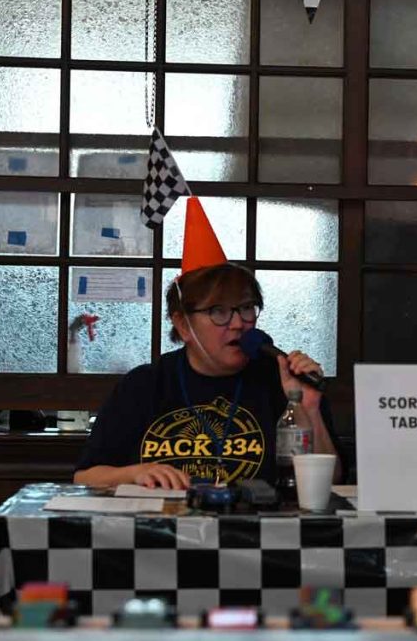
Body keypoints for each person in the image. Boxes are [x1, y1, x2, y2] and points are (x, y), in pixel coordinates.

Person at [74, 198, 340, 489]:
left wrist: (310, 408)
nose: (239, 323)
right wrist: (135, 473)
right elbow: (85, 476)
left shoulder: (280, 381)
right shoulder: (145, 385)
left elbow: (334, 480)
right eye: (219, 311)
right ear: (183, 324)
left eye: (246, 308)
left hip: (258, 531)